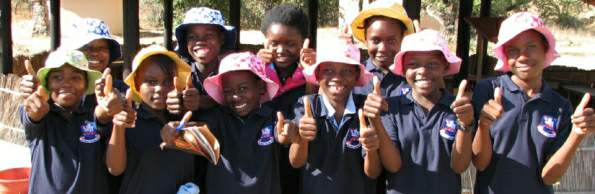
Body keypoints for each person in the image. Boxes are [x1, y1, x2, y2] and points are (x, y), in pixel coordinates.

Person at [471, 12, 595, 194]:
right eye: (513, 49)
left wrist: (576, 136)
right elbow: (480, 163)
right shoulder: (488, 90)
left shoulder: (559, 106)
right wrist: (483, 124)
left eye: (531, 46)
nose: (522, 56)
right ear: (505, 56)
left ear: (545, 50)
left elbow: (549, 177)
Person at [364, 29, 474, 194]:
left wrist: (465, 124)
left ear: (445, 67)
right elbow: (393, 166)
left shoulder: (458, 108)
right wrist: (376, 121)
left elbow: (460, 166)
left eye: (432, 64)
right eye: (413, 64)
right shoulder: (391, 108)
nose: (422, 71)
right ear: (403, 70)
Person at [171, 52, 284, 193]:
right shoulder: (216, 118)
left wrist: (288, 135)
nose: (235, 96)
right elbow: (195, 133)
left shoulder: (273, 118)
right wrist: (179, 130)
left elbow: (287, 137)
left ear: (261, 87)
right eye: (228, 91)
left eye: (243, 88)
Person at [104, 45, 196, 194]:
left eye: (167, 82)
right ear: (137, 84)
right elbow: (114, 169)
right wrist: (119, 126)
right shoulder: (128, 118)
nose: (159, 89)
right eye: (151, 82)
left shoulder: (185, 118)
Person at [288, 43, 379, 194]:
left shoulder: (365, 108)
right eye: (328, 71)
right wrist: (302, 139)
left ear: (357, 76)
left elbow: (373, 172)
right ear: (317, 75)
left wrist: (371, 149)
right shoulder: (306, 106)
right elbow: (296, 162)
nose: (337, 78)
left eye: (347, 71)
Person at [19, 49, 110, 194]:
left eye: (75, 78)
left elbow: (103, 120)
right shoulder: (42, 114)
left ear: (86, 85)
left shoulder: (93, 115)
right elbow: (33, 114)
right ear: (47, 85)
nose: (66, 83)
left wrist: (108, 111)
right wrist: (33, 102)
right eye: (57, 77)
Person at [20, 18, 126, 97]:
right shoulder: (56, 91)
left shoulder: (120, 90)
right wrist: (33, 92)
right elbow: (34, 118)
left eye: (102, 48)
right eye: (87, 48)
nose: (95, 53)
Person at [171, 7, 237, 112]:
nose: (200, 41)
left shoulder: (232, 73)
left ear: (222, 39)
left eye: (209, 35)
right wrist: (175, 102)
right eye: (192, 37)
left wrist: (203, 102)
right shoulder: (179, 74)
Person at [349, 0, 415, 99]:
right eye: (375, 41)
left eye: (391, 41)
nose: (383, 49)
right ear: (366, 39)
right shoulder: (352, 77)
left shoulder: (413, 77)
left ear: (402, 39)